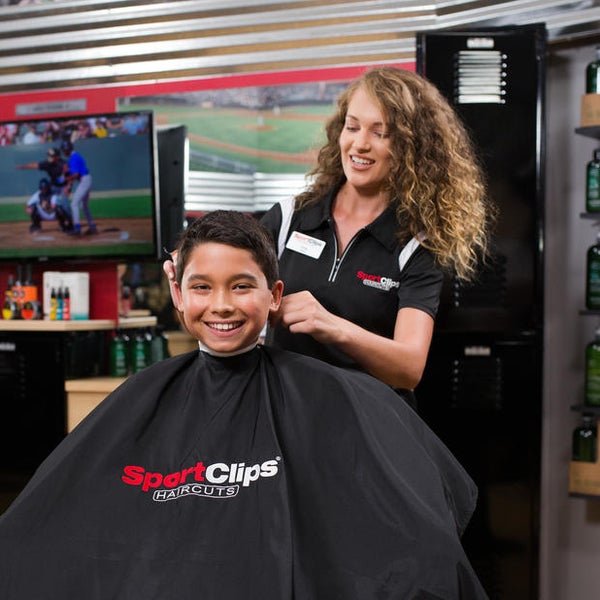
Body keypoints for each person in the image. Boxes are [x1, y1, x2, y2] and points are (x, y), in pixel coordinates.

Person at [0, 210, 487, 599]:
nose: (222, 305)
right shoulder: (142, 396)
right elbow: (49, 527)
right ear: (177, 292)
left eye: (241, 285)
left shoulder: (334, 396)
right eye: (201, 286)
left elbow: (420, 546)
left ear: (275, 295)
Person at [163, 67, 493, 407]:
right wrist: (191, 273)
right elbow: (230, 289)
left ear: (411, 146)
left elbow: (408, 368)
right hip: (288, 413)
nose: (360, 143)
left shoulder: (415, 245)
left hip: (370, 425)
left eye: (381, 133)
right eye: (352, 127)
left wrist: (330, 325)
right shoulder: (290, 217)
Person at [60, 138, 97, 236]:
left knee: (74, 204)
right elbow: (73, 174)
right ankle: (92, 226)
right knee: (83, 205)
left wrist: (66, 179)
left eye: (64, 150)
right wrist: (68, 182)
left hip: (84, 180)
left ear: (67, 149)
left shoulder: (73, 158)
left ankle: (77, 228)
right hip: (86, 180)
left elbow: (75, 175)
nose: (63, 152)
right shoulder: (74, 156)